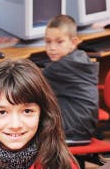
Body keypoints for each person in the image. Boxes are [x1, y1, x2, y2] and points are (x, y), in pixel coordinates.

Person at [38, 14, 99, 145]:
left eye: (59, 42)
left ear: (74, 42)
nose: (52, 47)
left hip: (72, 131)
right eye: (48, 41)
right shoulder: (79, 57)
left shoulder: (61, 67)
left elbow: (31, 81)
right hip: (84, 126)